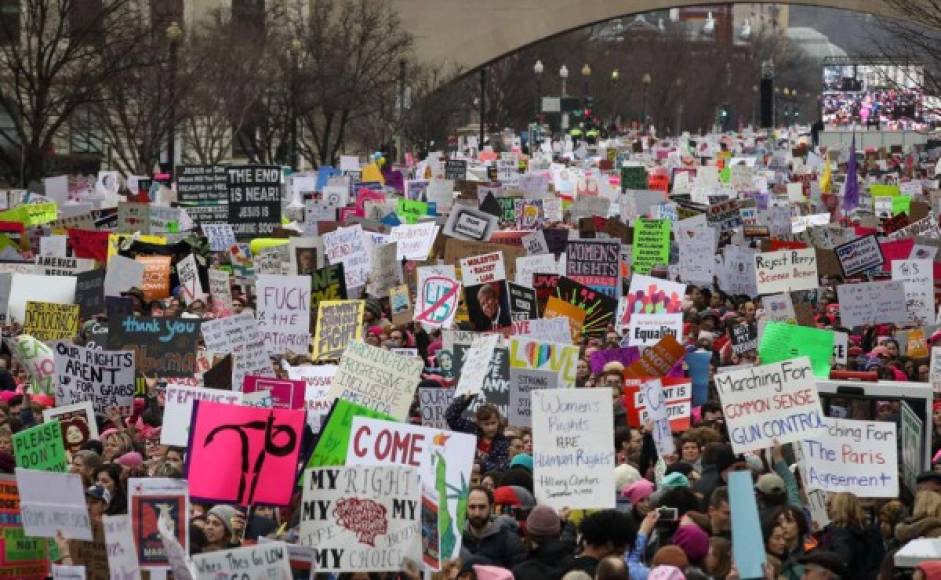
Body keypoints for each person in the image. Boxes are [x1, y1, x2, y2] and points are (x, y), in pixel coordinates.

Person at [555, 510, 636, 578]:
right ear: (609, 545)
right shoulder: (605, 575)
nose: (623, 558)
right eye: (621, 552)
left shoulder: (561, 565)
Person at [461, 486, 526, 569]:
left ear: (491, 508)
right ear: (466, 508)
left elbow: (519, 573)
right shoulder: (457, 540)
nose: (477, 513)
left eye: (482, 507)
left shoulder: (509, 540)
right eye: (472, 507)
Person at [446, 395, 512, 473]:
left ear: (498, 421)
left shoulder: (504, 442)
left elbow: (503, 466)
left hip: (488, 482)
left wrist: (481, 467)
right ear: (480, 424)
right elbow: (451, 416)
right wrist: (465, 399)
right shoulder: (471, 430)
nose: (491, 428)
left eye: (493, 423)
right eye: (486, 424)